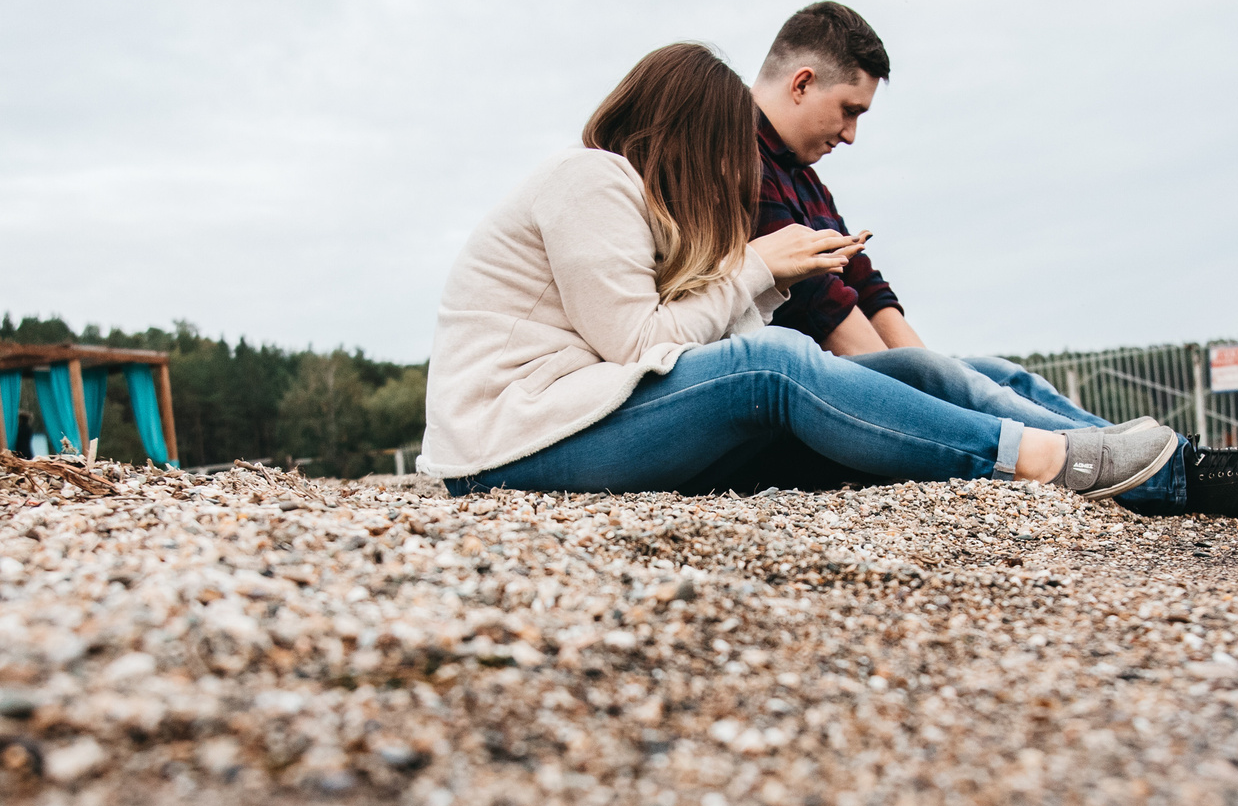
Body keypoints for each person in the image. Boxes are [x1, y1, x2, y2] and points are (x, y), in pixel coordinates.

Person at [421, 43, 1182, 501]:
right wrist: (756, 266)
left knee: (907, 373)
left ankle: (1160, 466)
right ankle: (1046, 459)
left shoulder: (646, 213)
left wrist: (765, 278)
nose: (730, 165)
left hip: (575, 421)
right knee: (777, 367)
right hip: (508, 444)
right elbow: (641, 348)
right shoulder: (589, 179)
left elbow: (703, 342)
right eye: (723, 145)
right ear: (684, 135)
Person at [748, 1, 1238, 520]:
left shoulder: (802, 177)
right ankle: (1174, 478)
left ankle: (1160, 456)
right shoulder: (739, 158)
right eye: (849, 111)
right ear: (802, 83)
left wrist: (941, 374)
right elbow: (824, 309)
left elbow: (866, 289)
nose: (850, 134)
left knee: (998, 375)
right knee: (943, 378)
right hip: (811, 402)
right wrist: (926, 389)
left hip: (836, 378)